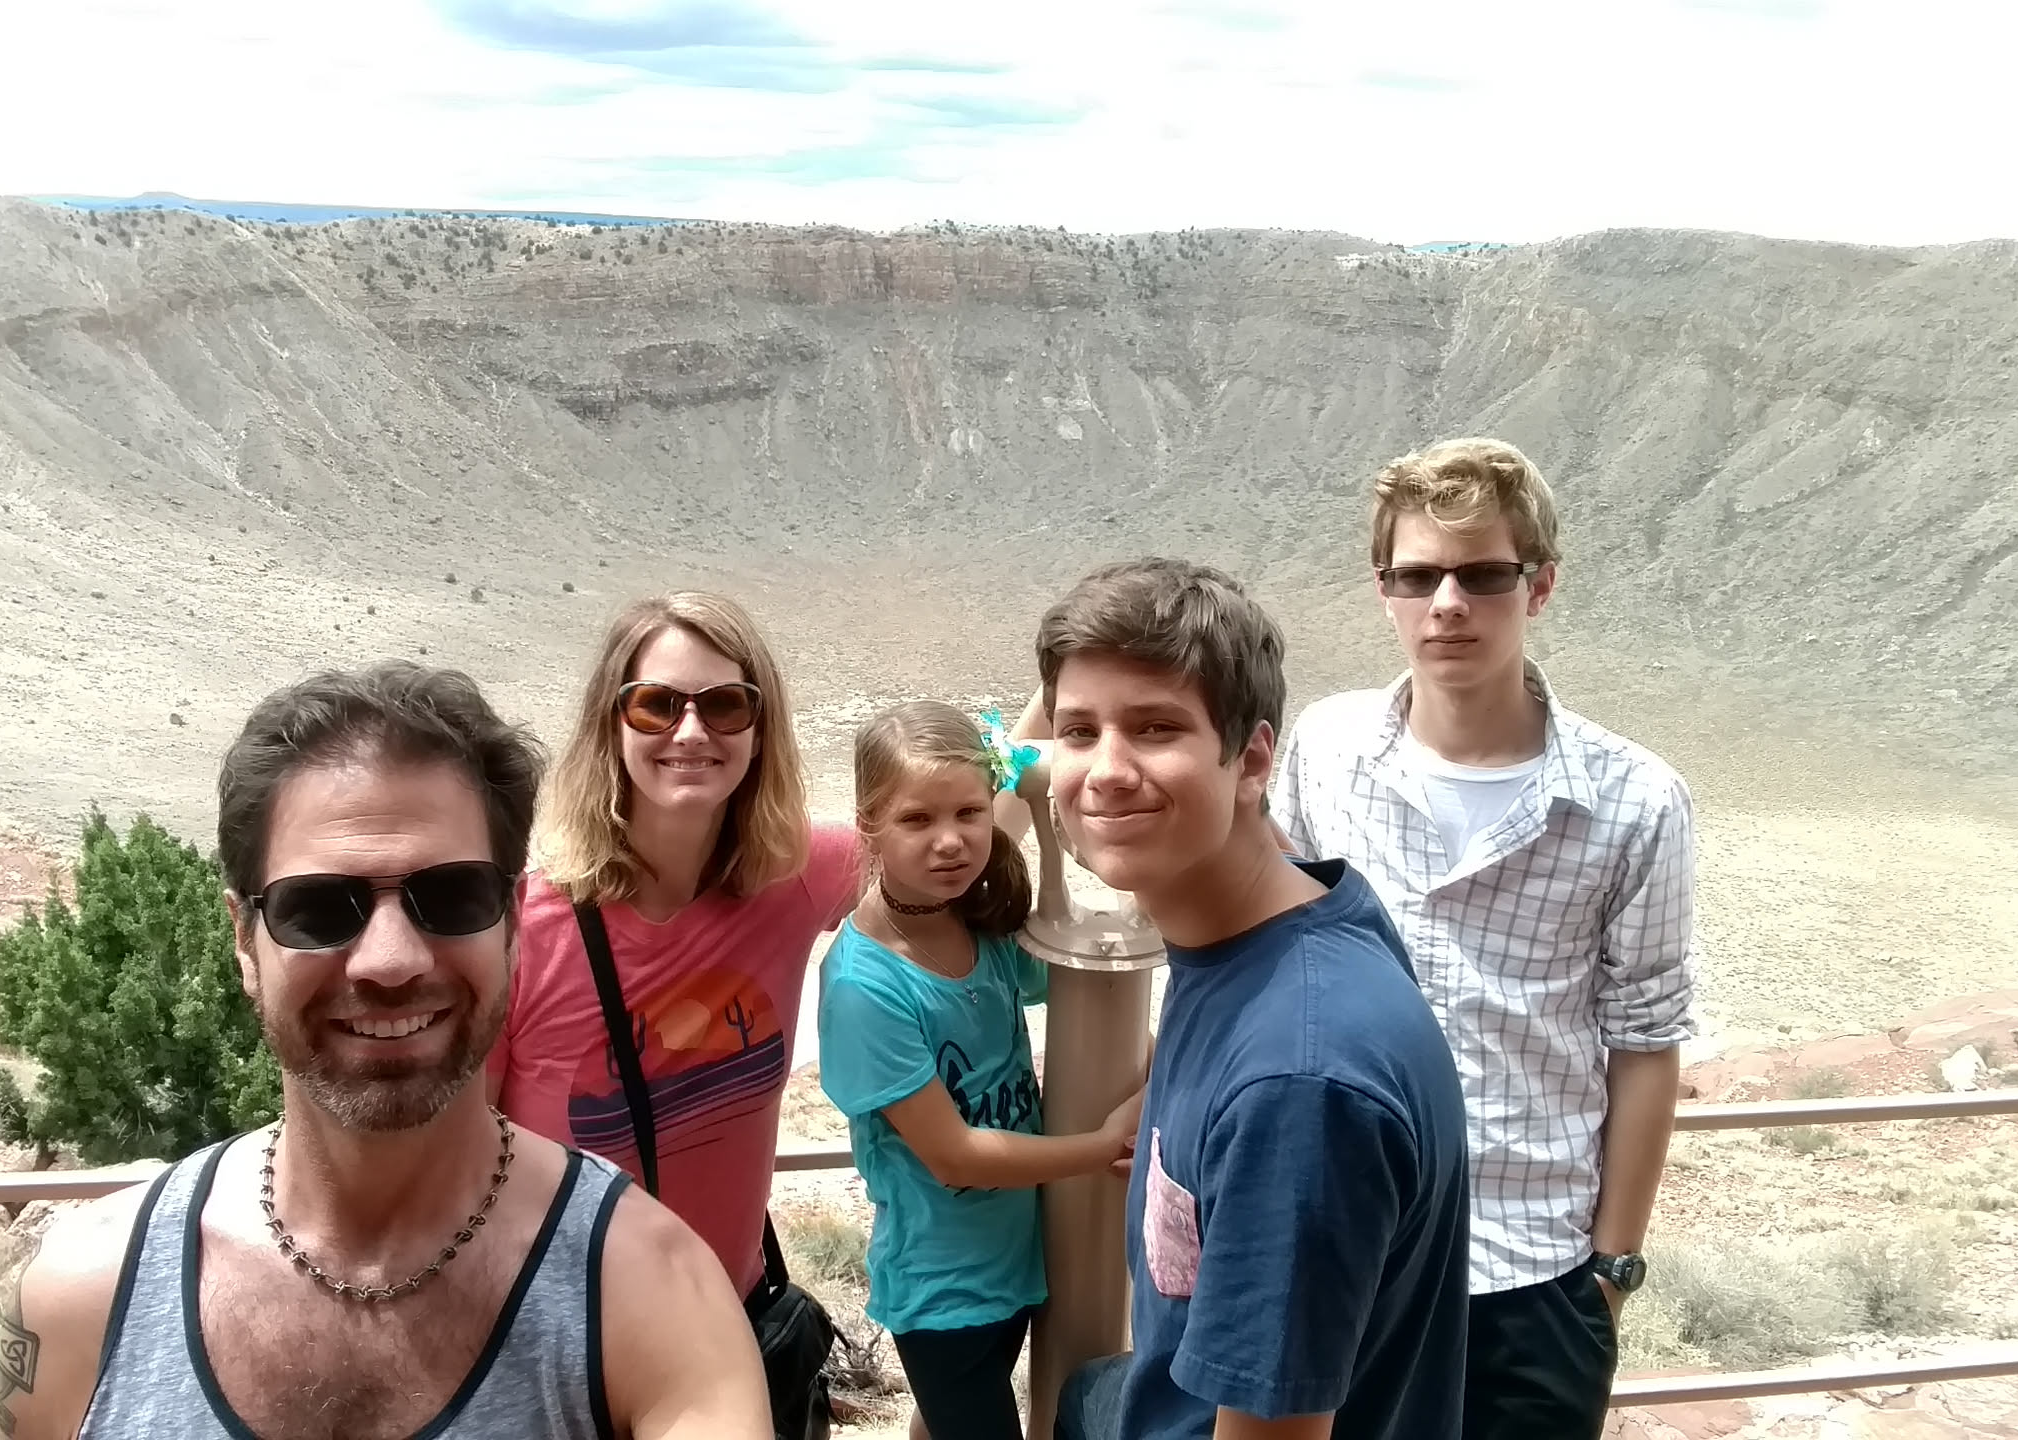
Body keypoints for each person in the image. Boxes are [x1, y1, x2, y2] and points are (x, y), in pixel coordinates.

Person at [0, 660, 770, 1440]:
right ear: (243, 941)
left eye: (453, 895)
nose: (390, 960)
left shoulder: (655, 1299)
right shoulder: (83, 1302)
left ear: (511, 924)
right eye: (318, 907)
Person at [1268, 437, 1698, 1440]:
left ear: (1539, 586)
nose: (1447, 603)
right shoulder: (1325, 751)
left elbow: (1645, 1040)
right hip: (1342, 1252)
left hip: (1531, 1275)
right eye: (1416, 576)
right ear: (1383, 589)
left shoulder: (1636, 801)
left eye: (1483, 576)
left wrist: (1610, 1272)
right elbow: (1274, 956)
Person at [1033, 558, 1471, 1440]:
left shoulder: (1298, 1085)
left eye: (1156, 728)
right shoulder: (1288, 914)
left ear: (1254, 759)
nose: (1106, 770)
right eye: (1078, 731)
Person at [485, 592, 864, 1431]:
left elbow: (942, 834)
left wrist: (1054, 720)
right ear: (610, 724)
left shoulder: (792, 876)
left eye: (725, 704)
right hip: (567, 1352)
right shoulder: (521, 937)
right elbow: (453, 1169)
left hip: (729, 1332)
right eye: (656, 704)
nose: (691, 732)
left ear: (760, 729)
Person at [815, 700, 1144, 1440]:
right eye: (916, 819)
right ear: (868, 824)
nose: (950, 842)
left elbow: (1083, 991)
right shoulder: (865, 987)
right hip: (945, 1291)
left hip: (1020, 1256)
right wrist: (1105, 1144)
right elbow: (954, 1154)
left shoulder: (979, 924)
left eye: (969, 813)